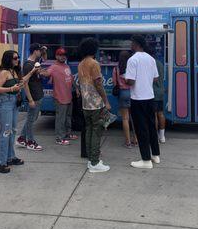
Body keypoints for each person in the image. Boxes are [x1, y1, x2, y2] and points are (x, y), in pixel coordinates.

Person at [0, 50, 37, 173]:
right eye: (15, 58)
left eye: (18, 57)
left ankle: (10, 157)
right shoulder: (4, 72)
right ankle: (0, 163)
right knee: (6, 132)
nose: (17, 60)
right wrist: (11, 88)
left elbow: (22, 81)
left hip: (13, 102)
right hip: (4, 102)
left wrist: (32, 71)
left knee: (12, 130)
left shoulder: (14, 72)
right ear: (8, 59)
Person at [125, 35, 160, 169]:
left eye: (132, 42)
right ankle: (156, 155)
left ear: (136, 44)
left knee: (141, 129)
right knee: (151, 127)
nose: (130, 45)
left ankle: (146, 160)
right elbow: (156, 78)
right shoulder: (151, 59)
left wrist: (126, 80)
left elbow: (131, 81)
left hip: (138, 98)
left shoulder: (133, 60)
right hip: (150, 97)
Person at [78, 37, 110, 173]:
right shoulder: (94, 63)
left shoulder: (81, 64)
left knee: (89, 131)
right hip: (96, 104)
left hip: (85, 104)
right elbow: (98, 84)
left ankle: (91, 160)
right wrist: (106, 101)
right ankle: (95, 162)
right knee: (97, 132)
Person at [46, 47, 79, 145]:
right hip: (60, 98)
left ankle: (67, 134)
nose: (62, 57)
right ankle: (59, 138)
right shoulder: (53, 67)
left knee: (68, 117)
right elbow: (47, 73)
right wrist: (39, 70)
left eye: (64, 55)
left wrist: (76, 88)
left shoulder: (66, 66)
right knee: (61, 119)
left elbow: (71, 78)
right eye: (60, 55)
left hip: (68, 97)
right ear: (56, 56)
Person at [16, 43, 44, 152]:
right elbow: (25, 83)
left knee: (31, 118)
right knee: (31, 120)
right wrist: (30, 99)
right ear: (35, 51)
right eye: (40, 50)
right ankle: (30, 142)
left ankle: (22, 138)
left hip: (37, 95)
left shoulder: (34, 63)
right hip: (34, 96)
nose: (41, 52)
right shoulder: (28, 65)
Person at [112, 50, 137, 148]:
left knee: (125, 118)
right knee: (134, 117)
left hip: (122, 93)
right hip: (132, 93)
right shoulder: (132, 68)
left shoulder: (116, 69)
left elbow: (115, 84)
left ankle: (128, 142)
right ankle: (135, 139)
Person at [151, 50, 166, 143]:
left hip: (153, 92)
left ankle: (155, 135)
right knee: (160, 113)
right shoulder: (160, 63)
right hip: (160, 91)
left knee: (154, 115)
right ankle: (162, 136)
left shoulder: (150, 64)